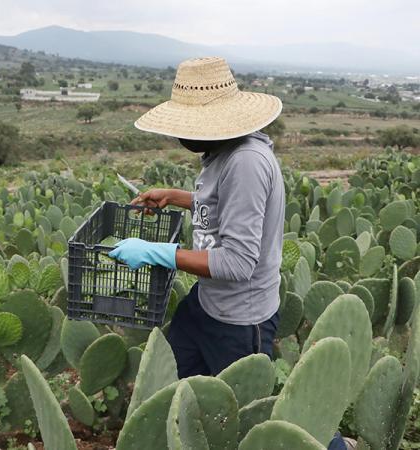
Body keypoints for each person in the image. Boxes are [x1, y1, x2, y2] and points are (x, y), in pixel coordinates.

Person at [109, 57, 352, 450]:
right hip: (207, 304)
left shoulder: (246, 163)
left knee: (252, 419)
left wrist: (159, 254)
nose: (178, 138)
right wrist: (177, 197)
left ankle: (332, 445)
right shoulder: (223, 151)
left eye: (184, 129)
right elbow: (226, 207)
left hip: (240, 320)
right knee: (178, 386)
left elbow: (238, 264)